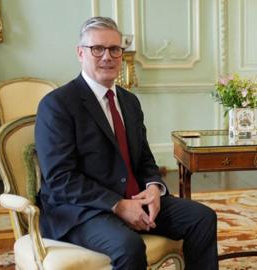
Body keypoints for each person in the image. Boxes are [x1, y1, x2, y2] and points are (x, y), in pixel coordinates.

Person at [35, 16, 218, 270]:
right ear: (80, 53)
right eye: (97, 49)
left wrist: (154, 188)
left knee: (202, 218)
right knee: (128, 245)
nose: (107, 56)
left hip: (134, 198)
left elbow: (144, 158)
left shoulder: (129, 101)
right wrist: (118, 205)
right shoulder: (57, 105)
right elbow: (59, 178)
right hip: (83, 210)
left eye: (114, 49)